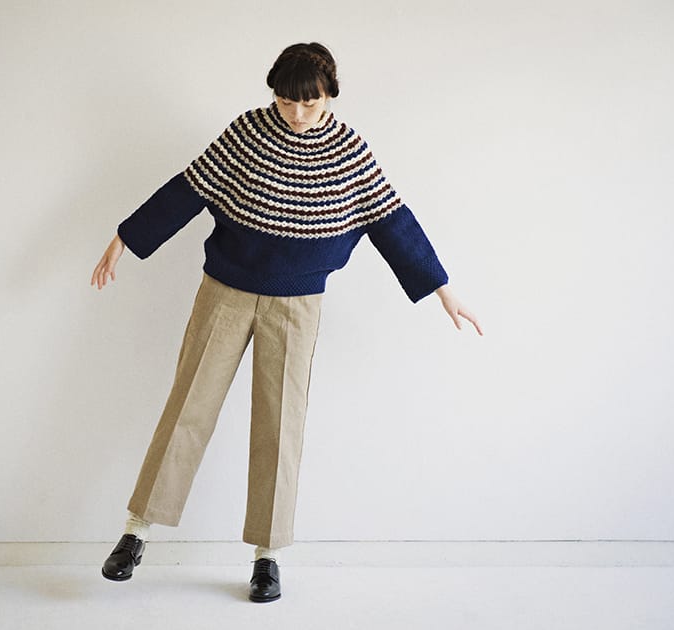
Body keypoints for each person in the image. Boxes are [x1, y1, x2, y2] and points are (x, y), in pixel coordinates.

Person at [91, 42, 482, 603]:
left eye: (309, 102)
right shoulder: (247, 133)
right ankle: (136, 533)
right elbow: (188, 189)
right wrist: (125, 238)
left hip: (297, 305)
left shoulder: (349, 152)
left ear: (329, 95)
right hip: (224, 292)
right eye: (285, 100)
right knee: (188, 408)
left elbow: (391, 221)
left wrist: (442, 287)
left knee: (279, 427)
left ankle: (266, 557)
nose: (296, 113)